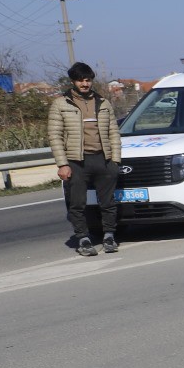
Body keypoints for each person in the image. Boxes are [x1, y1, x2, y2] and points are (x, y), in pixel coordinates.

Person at [47, 62, 123, 256]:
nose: (85, 84)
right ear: (73, 81)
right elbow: (55, 136)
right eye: (80, 80)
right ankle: (83, 239)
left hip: (103, 159)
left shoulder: (103, 103)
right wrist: (62, 164)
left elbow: (114, 133)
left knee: (108, 203)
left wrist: (115, 161)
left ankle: (109, 237)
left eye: (88, 80)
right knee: (77, 203)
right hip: (77, 161)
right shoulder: (61, 104)